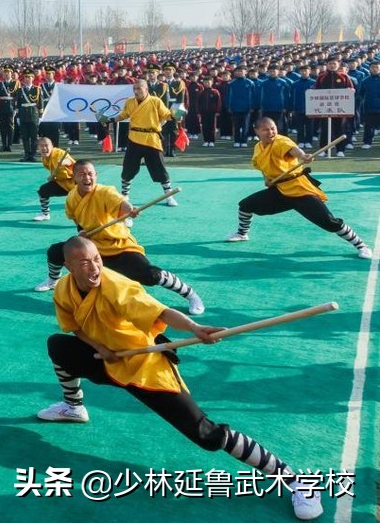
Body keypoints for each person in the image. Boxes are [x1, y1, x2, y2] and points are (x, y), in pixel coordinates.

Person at [37, 236, 322, 521]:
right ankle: (73, 407)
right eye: (85, 262)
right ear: (69, 267)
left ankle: (295, 480)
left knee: (205, 432)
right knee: (59, 346)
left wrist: (193, 327)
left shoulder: (118, 286)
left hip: (143, 364)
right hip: (109, 358)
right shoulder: (64, 288)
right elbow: (73, 325)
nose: (94, 267)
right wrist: (99, 347)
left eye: (97, 258)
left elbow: (160, 311)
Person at [33, 160, 204, 316]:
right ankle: (53, 280)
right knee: (56, 251)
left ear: (96, 176)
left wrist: (129, 209)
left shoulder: (105, 192)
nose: (87, 178)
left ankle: (190, 294)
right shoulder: (71, 197)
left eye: (91, 174)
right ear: (74, 178)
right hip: (93, 247)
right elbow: (79, 221)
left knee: (150, 275)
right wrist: (82, 234)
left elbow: (120, 203)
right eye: (82, 174)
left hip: (119, 246)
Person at [226, 117, 372, 258]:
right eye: (265, 130)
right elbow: (263, 166)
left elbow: (293, 149)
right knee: (246, 205)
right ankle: (242, 233)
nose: (270, 132)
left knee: (329, 222)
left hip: (299, 190)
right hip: (280, 190)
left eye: (273, 128)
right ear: (256, 131)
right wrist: (267, 179)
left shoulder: (281, 141)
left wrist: (303, 156)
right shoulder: (258, 147)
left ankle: (361, 246)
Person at [108, 80, 179, 206]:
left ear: (146, 89)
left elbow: (167, 114)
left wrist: (177, 114)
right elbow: (124, 114)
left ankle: (169, 196)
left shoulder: (155, 101)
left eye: (139, 88)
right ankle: (124, 195)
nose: (136, 91)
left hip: (152, 138)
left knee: (160, 168)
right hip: (134, 138)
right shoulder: (130, 101)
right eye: (134, 89)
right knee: (128, 168)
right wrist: (111, 120)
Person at [33, 137, 75, 222]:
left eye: (46, 145)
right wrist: (52, 177)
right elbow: (55, 171)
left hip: (75, 183)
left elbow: (69, 161)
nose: (44, 148)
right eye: (41, 146)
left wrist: (63, 162)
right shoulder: (44, 159)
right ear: (38, 148)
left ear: (52, 146)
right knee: (43, 190)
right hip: (62, 183)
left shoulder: (59, 153)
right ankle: (45, 214)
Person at [16, 69, 44, 162]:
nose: (27, 79)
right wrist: (18, 117)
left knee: (34, 136)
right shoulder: (20, 90)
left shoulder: (37, 89)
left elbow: (40, 103)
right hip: (23, 114)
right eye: (26, 77)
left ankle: (33, 154)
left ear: (33, 78)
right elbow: (18, 105)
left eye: (29, 77)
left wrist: (40, 116)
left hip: (33, 114)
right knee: (25, 136)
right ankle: (26, 154)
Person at [0, 66, 19, 152]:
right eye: (5, 72)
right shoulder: (0, 83)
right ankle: (4, 144)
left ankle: (10, 145)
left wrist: (16, 108)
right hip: (2, 107)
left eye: (8, 72)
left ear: (11, 73)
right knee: (2, 126)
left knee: (10, 126)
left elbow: (17, 96)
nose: (6, 74)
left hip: (11, 106)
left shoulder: (15, 83)